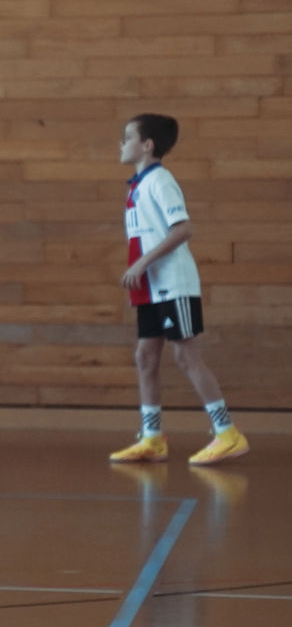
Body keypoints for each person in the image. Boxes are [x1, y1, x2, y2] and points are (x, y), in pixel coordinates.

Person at [108, 113, 248, 466]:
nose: (121, 144)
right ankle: (152, 438)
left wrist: (142, 263)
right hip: (151, 288)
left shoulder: (160, 181)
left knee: (185, 355)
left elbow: (183, 229)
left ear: (147, 145)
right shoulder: (137, 185)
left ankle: (227, 433)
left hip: (173, 284)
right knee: (145, 356)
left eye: (127, 137)